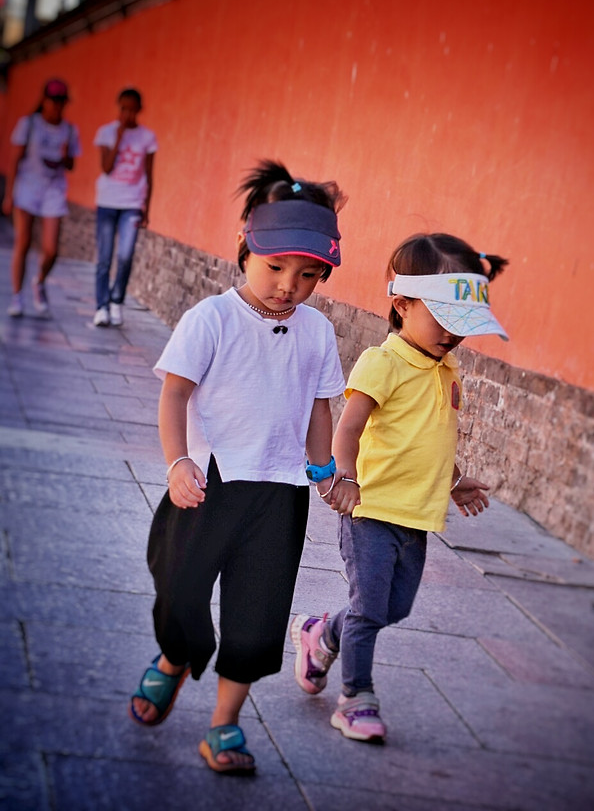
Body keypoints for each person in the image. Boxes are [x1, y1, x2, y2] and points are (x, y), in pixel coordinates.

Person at [129, 160, 348, 775]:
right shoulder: (212, 319)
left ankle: (222, 726)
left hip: (278, 495)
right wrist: (177, 462)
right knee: (180, 595)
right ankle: (174, 660)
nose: (288, 285)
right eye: (276, 267)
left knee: (256, 621)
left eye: (308, 275)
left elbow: (317, 405)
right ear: (246, 250)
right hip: (207, 485)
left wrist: (325, 469)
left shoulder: (318, 332)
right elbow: (174, 395)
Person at [291, 232, 509, 743]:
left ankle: (321, 634)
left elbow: (431, 438)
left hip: (418, 515)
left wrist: (454, 481)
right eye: (443, 319)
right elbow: (348, 427)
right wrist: (341, 477)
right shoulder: (381, 362)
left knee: (393, 608)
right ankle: (356, 699)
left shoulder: (447, 367)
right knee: (369, 608)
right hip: (370, 508)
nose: (453, 336)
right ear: (403, 303)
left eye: (462, 326)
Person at [3, 78, 81, 318]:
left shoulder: (69, 130)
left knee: (51, 249)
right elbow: (15, 160)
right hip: (27, 188)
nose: (56, 106)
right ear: (44, 100)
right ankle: (17, 297)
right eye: (53, 100)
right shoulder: (29, 124)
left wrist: (67, 155)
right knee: (23, 244)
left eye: (61, 101)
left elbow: (71, 165)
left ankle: (39, 281)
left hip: (53, 191)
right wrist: (8, 194)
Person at [92, 87, 157, 327]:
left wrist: (146, 209)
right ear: (118, 107)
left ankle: (117, 300)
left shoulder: (147, 137)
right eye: (123, 109)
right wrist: (119, 137)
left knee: (126, 255)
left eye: (132, 109)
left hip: (132, 204)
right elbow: (106, 168)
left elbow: (150, 175)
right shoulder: (106, 133)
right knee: (105, 258)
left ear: (139, 110)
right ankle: (101, 307)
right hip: (107, 203)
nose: (127, 114)